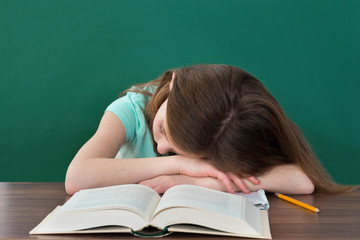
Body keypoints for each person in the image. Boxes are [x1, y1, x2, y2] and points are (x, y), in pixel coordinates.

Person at [65, 64, 351, 195]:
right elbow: (77, 177)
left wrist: (201, 183)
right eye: (164, 129)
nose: (162, 148)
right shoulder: (131, 109)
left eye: (177, 149)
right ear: (175, 83)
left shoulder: (225, 128)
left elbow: (301, 181)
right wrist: (181, 164)